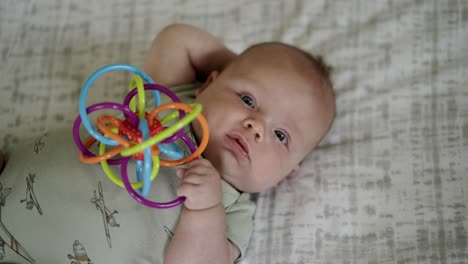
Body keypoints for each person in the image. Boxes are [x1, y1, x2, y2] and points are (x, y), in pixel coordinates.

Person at [143, 23, 336, 264]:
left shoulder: (233, 212)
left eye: (280, 136)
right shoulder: (171, 104)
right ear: (207, 86)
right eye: (247, 99)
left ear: (288, 172)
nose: (256, 126)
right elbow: (176, 38)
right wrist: (240, 66)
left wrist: (205, 211)